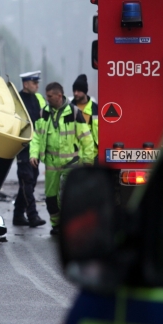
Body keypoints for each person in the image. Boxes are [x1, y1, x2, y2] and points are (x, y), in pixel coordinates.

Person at [30, 82, 95, 235]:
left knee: (67, 195)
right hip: (52, 164)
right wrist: (33, 154)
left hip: (71, 163)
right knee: (51, 196)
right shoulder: (43, 113)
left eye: (49, 96)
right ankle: (56, 225)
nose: (47, 99)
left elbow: (87, 139)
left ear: (59, 96)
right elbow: (37, 137)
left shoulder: (73, 112)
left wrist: (88, 160)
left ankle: (69, 225)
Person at [13, 71, 47, 227]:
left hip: (36, 147)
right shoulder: (18, 100)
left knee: (30, 182)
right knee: (27, 180)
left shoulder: (37, 99)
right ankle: (32, 216)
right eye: (34, 83)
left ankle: (18, 214)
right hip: (24, 147)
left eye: (37, 83)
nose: (37, 85)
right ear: (25, 84)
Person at [70, 74, 99, 165]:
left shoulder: (96, 109)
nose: (75, 93)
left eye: (79, 91)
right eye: (74, 90)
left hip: (94, 155)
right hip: (74, 156)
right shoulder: (69, 109)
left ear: (85, 91)